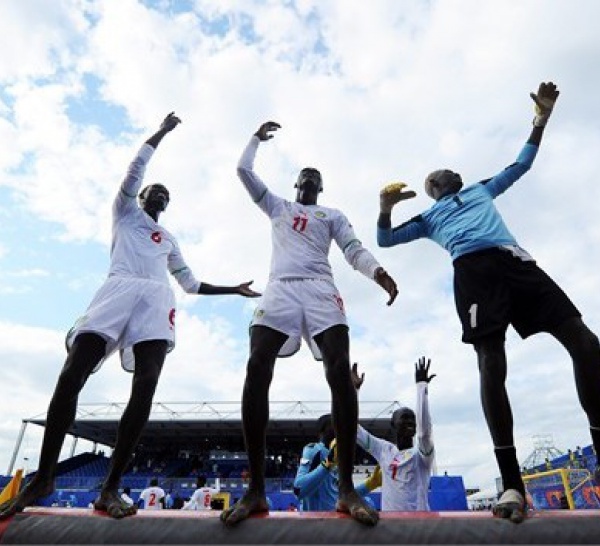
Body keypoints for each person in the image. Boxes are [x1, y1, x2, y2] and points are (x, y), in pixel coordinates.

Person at [0, 113, 260, 521]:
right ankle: (43, 477)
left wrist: (233, 289)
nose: (158, 194)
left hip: (157, 302)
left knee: (145, 389)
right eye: (153, 190)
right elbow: (135, 168)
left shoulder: (168, 239)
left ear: (166, 205)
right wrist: (162, 133)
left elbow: (189, 284)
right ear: (141, 197)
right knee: (71, 376)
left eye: (164, 194)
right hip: (118, 289)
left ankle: (110, 488)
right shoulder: (123, 211)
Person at [376, 82, 600, 523]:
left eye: (451, 172)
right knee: (491, 363)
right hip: (474, 274)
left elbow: (522, 163)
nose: (451, 174)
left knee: (585, 341)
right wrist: (384, 206)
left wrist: (541, 120)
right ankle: (512, 484)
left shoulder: (482, 188)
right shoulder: (427, 218)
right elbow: (384, 239)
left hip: (517, 263)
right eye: (441, 175)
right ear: (434, 187)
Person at [220, 121, 398, 527]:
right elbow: (244, 173)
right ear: (298, 182)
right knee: (256, 366)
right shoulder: (278, 206)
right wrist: (254, 140)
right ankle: (256, 489)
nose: (311, 180)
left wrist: (378, 273)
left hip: (321, 288)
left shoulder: (331, 215)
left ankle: (347, 491)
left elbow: (353, 249)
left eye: (317, 178)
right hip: (279, 288)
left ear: (321, 187)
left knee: (338, 371)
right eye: (306, 176)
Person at [353, 358, 435, 511]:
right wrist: (353, 392)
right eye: (404, 418)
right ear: (393, 424)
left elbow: (425, 433)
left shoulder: (422, 455)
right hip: (390, 528)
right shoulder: (384, 450)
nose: (410, 421)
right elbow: (355, 431)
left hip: (419, 527)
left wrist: (421, 387)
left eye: (413, 418)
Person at [293, 410, 380, 511]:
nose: (340, 428)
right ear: (322, 430)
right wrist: (328, 463)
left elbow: (342, 496)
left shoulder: (339, 457)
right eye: (335, 424)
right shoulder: (314, 451)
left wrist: (371, 483)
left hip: (334, 523)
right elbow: (299, 490)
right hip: (315, 523)